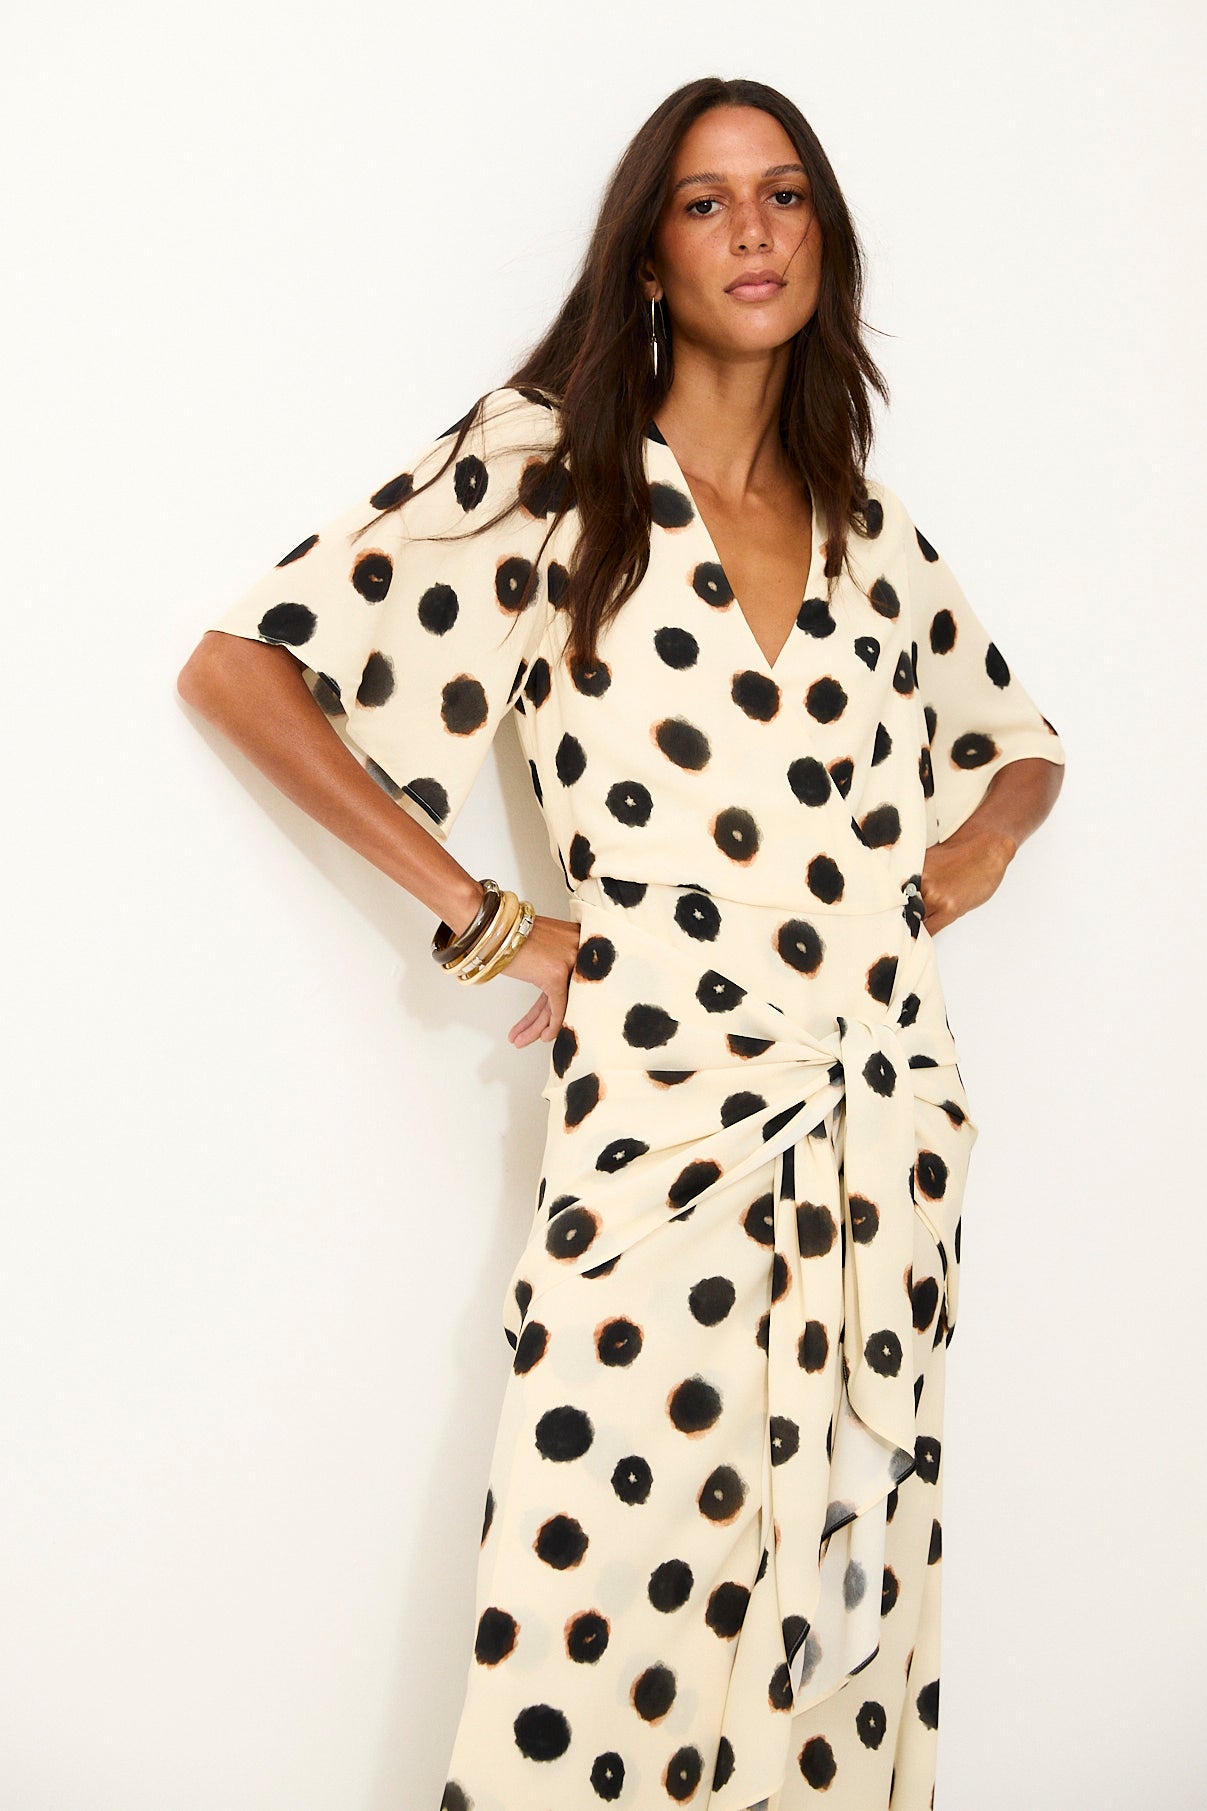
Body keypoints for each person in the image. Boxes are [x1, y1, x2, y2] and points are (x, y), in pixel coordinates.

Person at [176, 75, 1065, 1811]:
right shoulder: (551, 478)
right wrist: (491, 921)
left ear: (824, 238)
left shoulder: (866, 531)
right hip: (659, 1135)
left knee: (839, 1630)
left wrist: (976, 850)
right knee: (590, 1616)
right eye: (707, 201)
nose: (754, 231)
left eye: (785, 195)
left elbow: (1020, 744)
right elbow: (244, 671)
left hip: (878, 1148)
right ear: (649, 256)